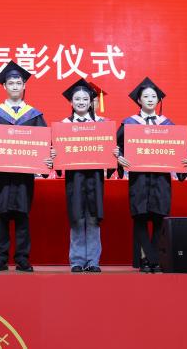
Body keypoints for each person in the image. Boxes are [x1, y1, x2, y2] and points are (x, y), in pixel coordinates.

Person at [0, 61, 53, 273]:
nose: (15, 86)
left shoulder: (34, 115)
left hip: (23, 178)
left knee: (22, 216)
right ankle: (0, 259)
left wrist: (47, 161)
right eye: (11, 83)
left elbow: (45, 147)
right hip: (1, 177)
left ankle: (22, 259)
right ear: (4, 86)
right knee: (0, 216)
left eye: (19, 83)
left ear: (24, 85)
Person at [117, 77, 187, 273]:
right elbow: (115, 146)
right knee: (139, 217)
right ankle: (151, 259)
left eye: (153, 96)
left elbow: (181, 147)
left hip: (160, 179)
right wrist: (119, 158)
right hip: (139, 179)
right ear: (139, 100)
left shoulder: (167, 124)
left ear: (158, 100)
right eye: (146, 96)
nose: (150, 99)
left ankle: (150, 259)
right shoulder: (129, 123)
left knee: (159, 217)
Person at [60, 78, 108, 273]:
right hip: (75, 178)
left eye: (85, 99)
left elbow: (108, 153)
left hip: (95, 178)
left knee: (93, 218)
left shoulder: (102, 124)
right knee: (77, 217)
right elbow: (58, 154)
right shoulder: (64, 125)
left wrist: (113, 153)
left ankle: (93, 261)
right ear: (71, 102)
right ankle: (77, 260)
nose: (81, 102)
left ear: (91, 102)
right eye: (77, 99)